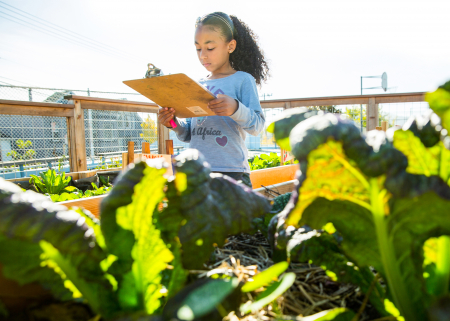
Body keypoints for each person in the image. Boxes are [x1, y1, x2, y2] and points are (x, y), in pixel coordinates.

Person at [158, 12, 269, 186]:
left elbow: (258, 127)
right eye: (198, 48)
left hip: (233, 173)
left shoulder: (242, 80)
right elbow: (188, 134)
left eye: (210, 48)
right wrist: (172, 123)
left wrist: (235, 109)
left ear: (230, 46)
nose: (203, 55)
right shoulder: (196, 85)